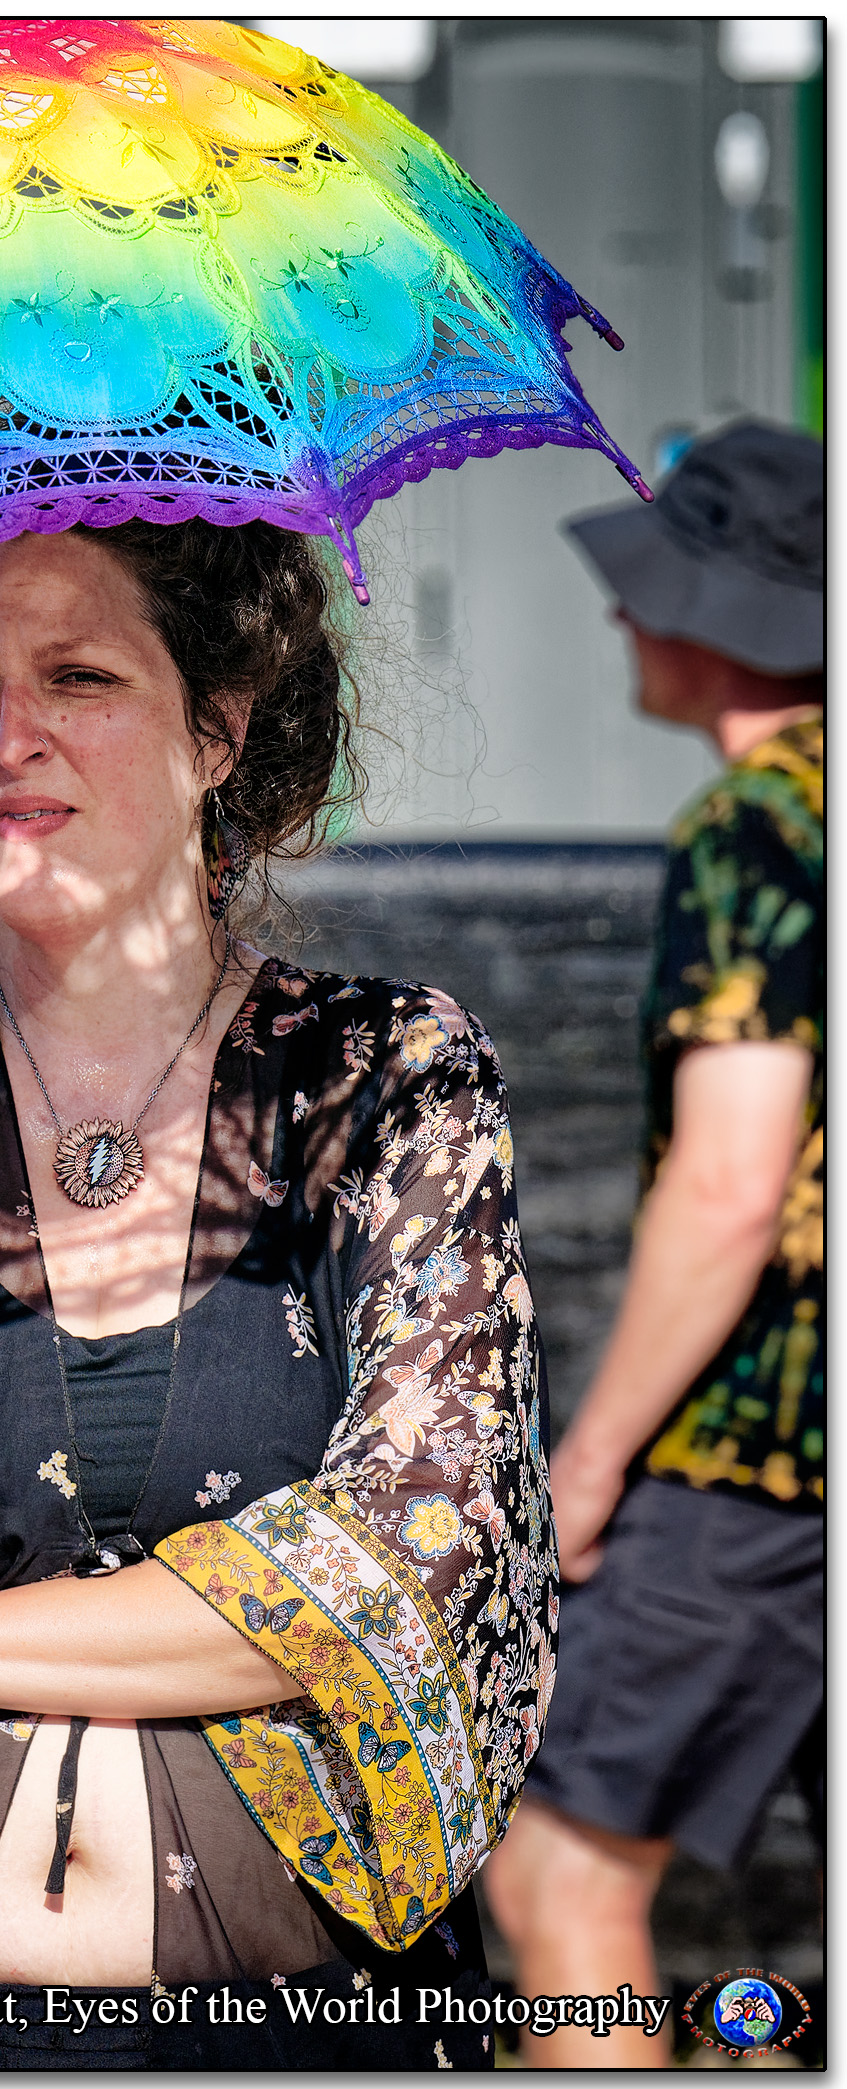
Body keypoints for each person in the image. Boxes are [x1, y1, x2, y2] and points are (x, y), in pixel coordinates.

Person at [0, 521, 556, 2070]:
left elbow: (398, 1572)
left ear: (218, 729)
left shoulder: (384, 1081)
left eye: (80, 675)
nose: (12, 733)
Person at [483, 422, 823, 2066]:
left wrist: (595, 1454)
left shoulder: (758, 827)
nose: (622, 616)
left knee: (557, 1867)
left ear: (722, 614)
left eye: (650, 586)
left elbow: (733, 1182)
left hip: (762, 1459)